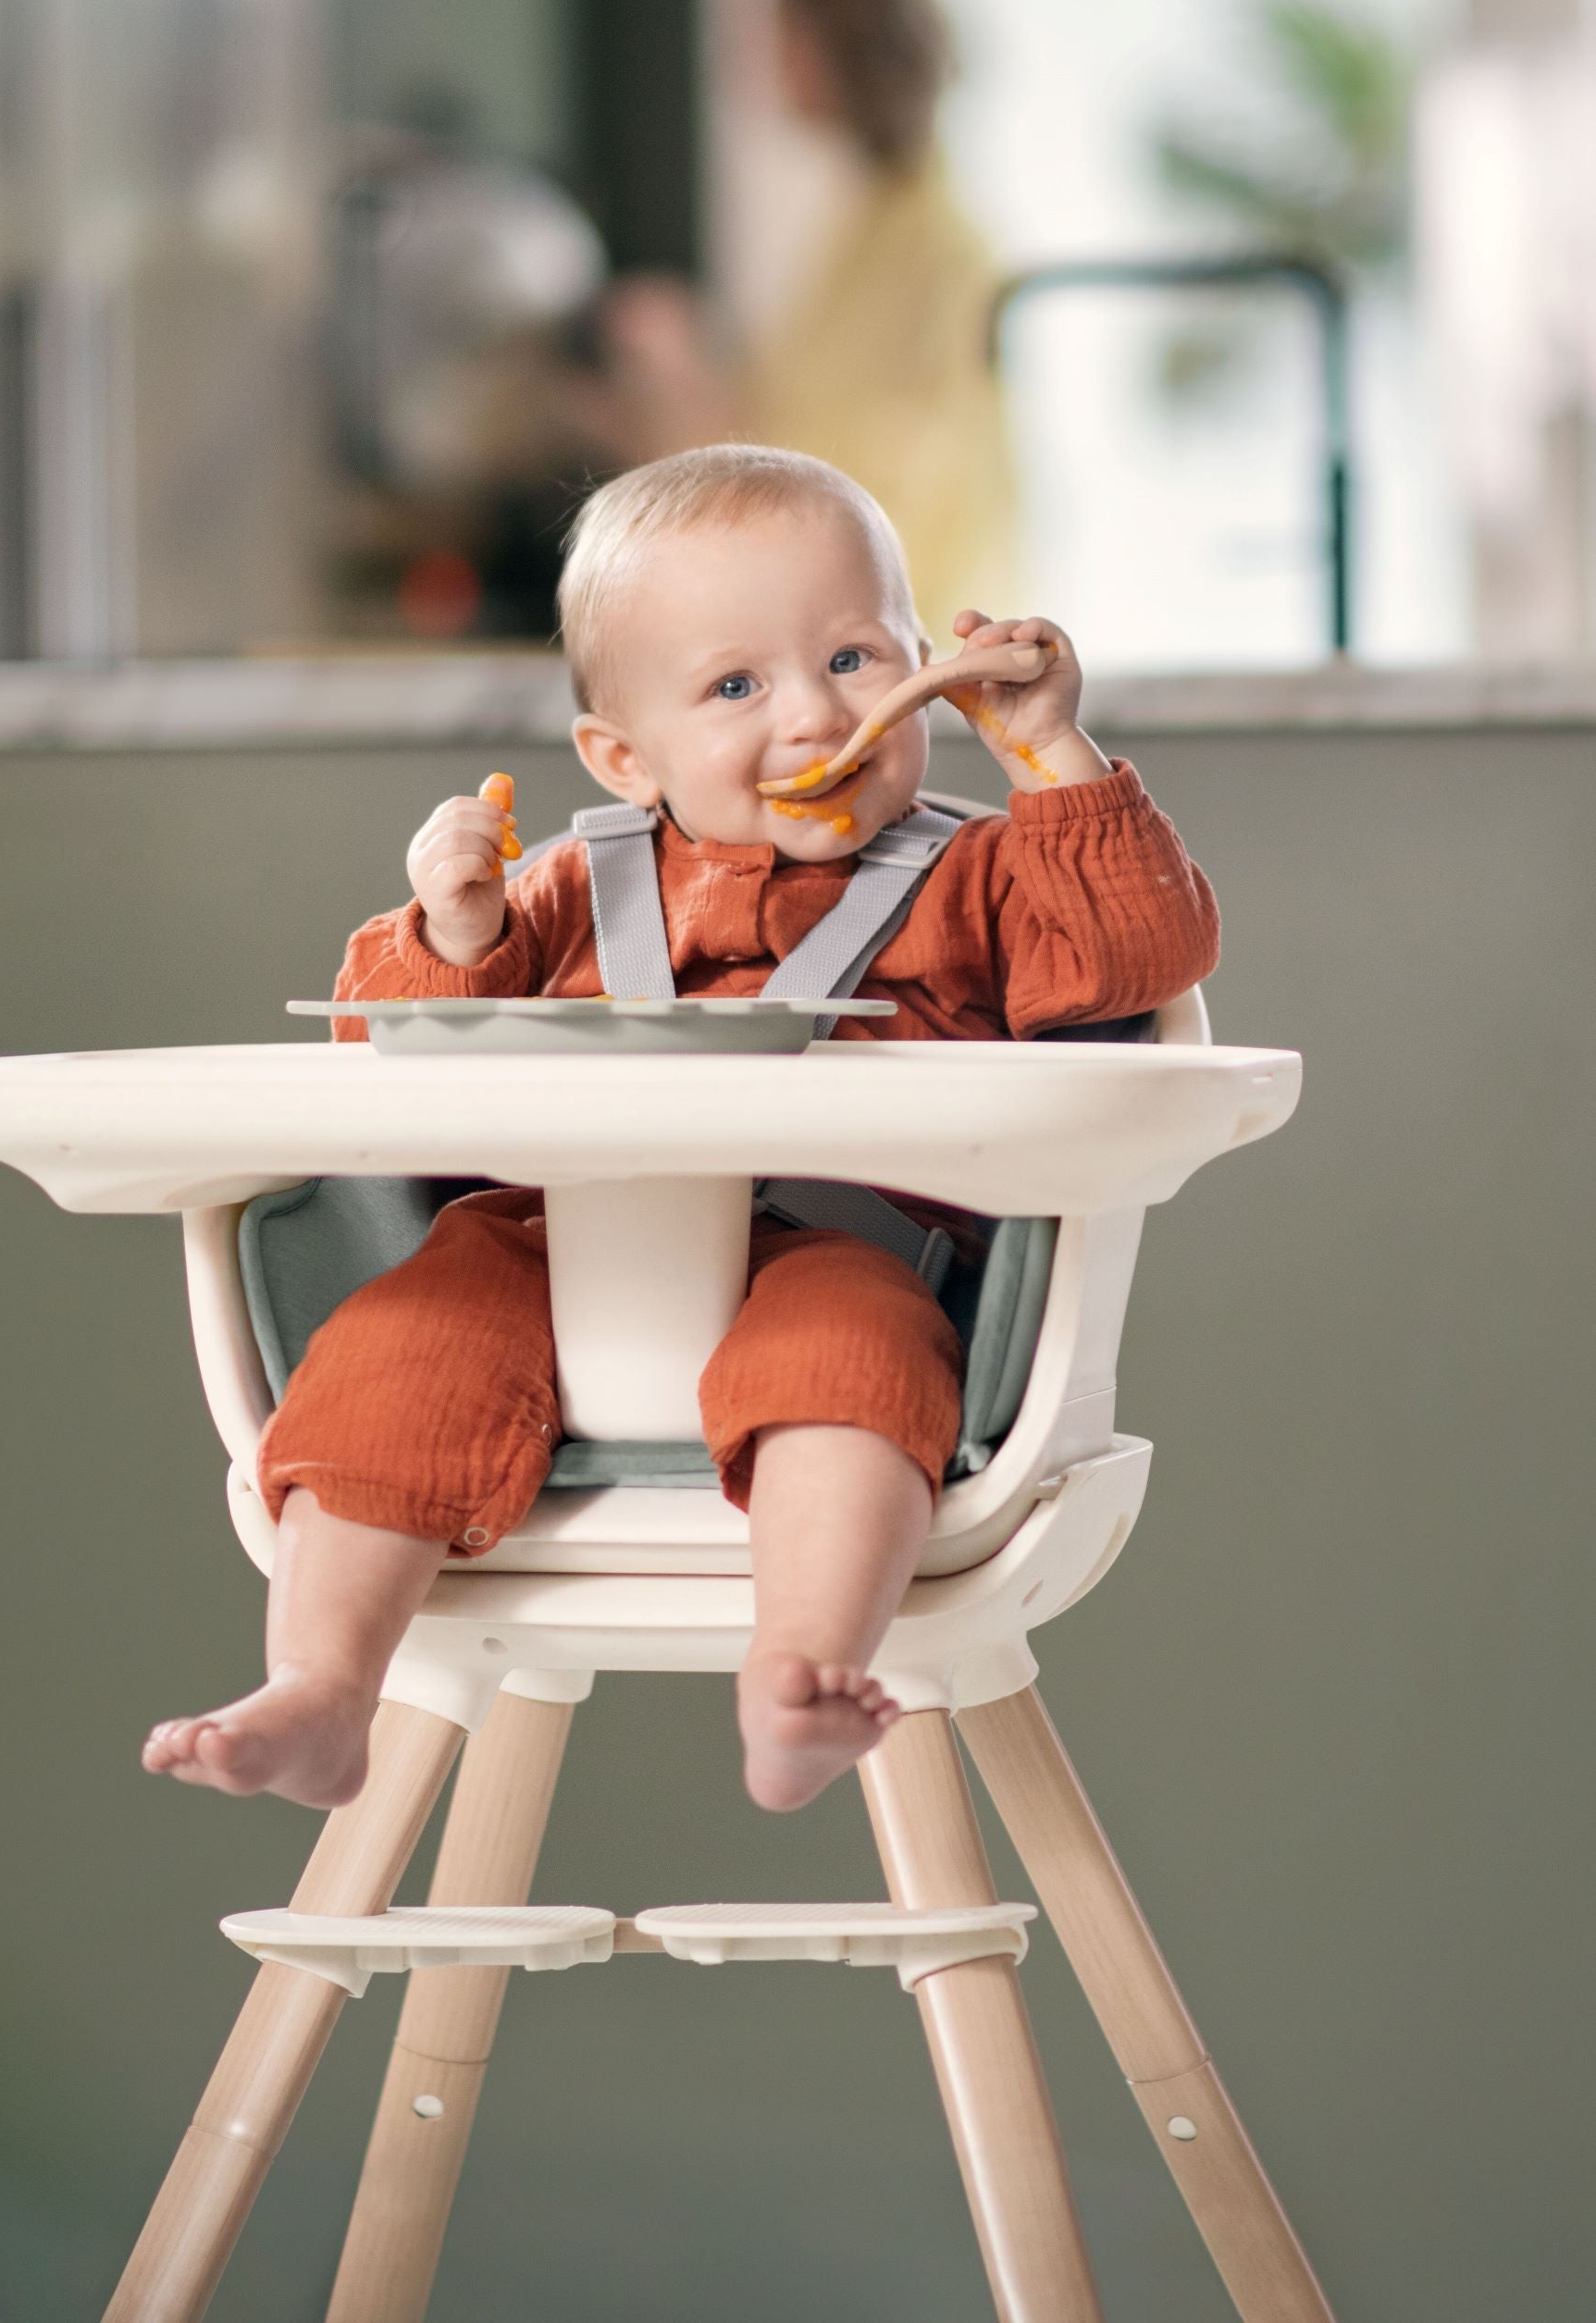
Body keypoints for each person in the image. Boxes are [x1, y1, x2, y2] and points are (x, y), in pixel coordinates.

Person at [141, 444, 1215, 1814]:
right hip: (543, 1254)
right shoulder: (569, 889)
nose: (817, 721)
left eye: (856, 659)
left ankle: (806, 1673)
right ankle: (321, 1687)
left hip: (843, 1249)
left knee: (852, 1372)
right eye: (734, 687)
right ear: (621, 754)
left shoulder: (983, 879)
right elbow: (378, 1051)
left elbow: (1140, 954)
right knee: (390, 1357)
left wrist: (1053, 755)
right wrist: (456, 931)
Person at [601, 0, 1017, 640]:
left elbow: (850, 489)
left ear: (837, 42)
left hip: (905, 659)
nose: (752, 57)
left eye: (777, 30)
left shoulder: (935, 249)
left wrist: (680, 372)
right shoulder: (869, 227)